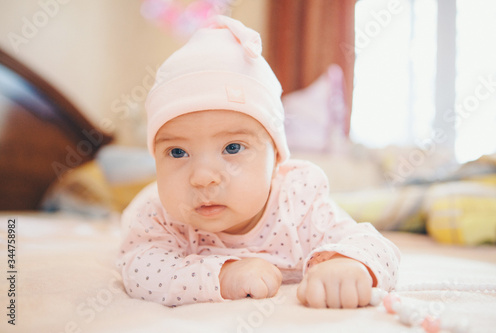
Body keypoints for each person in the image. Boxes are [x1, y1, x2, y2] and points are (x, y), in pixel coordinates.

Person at [117, 15, 400, 309]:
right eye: (177, 152)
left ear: (276, 156)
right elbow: (140, 271)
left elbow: (374, 244)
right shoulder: (160, 216)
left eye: (233, 147)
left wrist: (349, 264)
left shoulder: (298, 202)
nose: (202, 177)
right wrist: (223, 276)